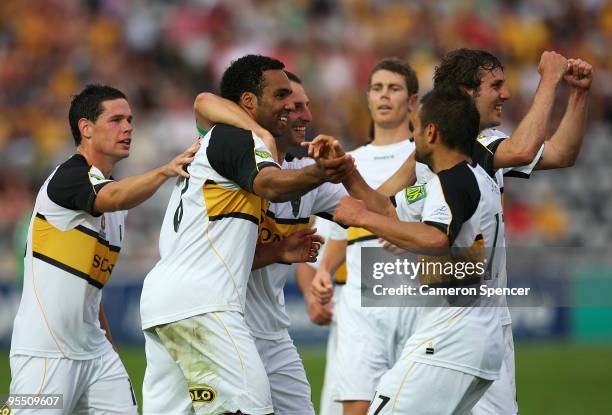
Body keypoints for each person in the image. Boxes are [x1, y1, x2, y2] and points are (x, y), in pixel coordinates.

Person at [376, 49, 593, 415]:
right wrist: (549, 79)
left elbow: (560, 154)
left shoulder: (480, 144)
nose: (505, 95)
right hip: (449, 318)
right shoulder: (467, 147)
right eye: (496, 86)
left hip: (483, 317)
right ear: (466, 92)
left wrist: (578, 94)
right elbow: (524, 150)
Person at [139, 55, 353, 415]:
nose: (294, 110)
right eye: (283, 97)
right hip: (202, 301)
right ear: (251, 102)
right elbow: (204, 102)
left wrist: (279, 251)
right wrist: (271, 139)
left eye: (300, 102)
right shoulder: (231, 139)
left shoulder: (221, 143)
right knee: (250, 409)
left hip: (170, 298)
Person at [312, 88, 507, 414]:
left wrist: (361, 218)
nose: (412, 135)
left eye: (415, 127)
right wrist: (346, 171)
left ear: (431, 132)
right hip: (475, 336)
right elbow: (389, 211)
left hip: (451, 335)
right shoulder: (467, 178)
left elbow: (434, 239)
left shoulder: (452, 181)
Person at [9, 84, 199, 414]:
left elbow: (90, 289)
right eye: (115, 120)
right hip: (46, 355)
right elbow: (109, 196)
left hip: (96, 354)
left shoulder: (117, 207)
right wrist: (166, 170)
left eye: (130, 120)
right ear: (86, 128)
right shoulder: (68, 178)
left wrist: (108, 346)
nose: (127, 127)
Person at [311, 58, 425, 415]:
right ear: (368, 97)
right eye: (377, 88)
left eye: (393, 88)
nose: (384, 96)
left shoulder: (424, 156)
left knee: (414, 404)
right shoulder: (350, 160)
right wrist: (324, 272)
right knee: (357, 405)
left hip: (415, 291)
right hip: (360, 297)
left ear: (412, 100)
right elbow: (339, 233)